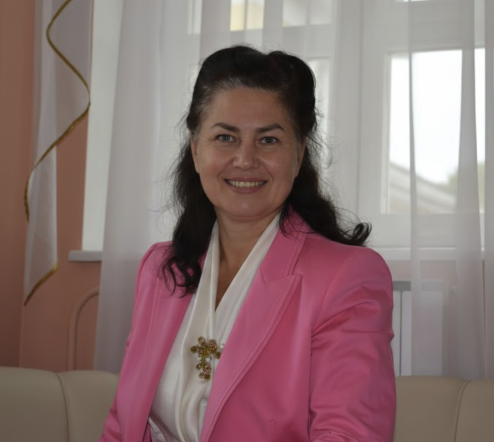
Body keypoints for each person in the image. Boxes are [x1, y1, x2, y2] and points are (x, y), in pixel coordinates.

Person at [99, 45, 395, 442]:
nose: (244, 159)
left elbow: (350, 434)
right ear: (196, 149)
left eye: (268, 140)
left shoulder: (346, 278)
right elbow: (122, 427)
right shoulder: (160, 270)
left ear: (299, 153)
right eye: (225, 137)